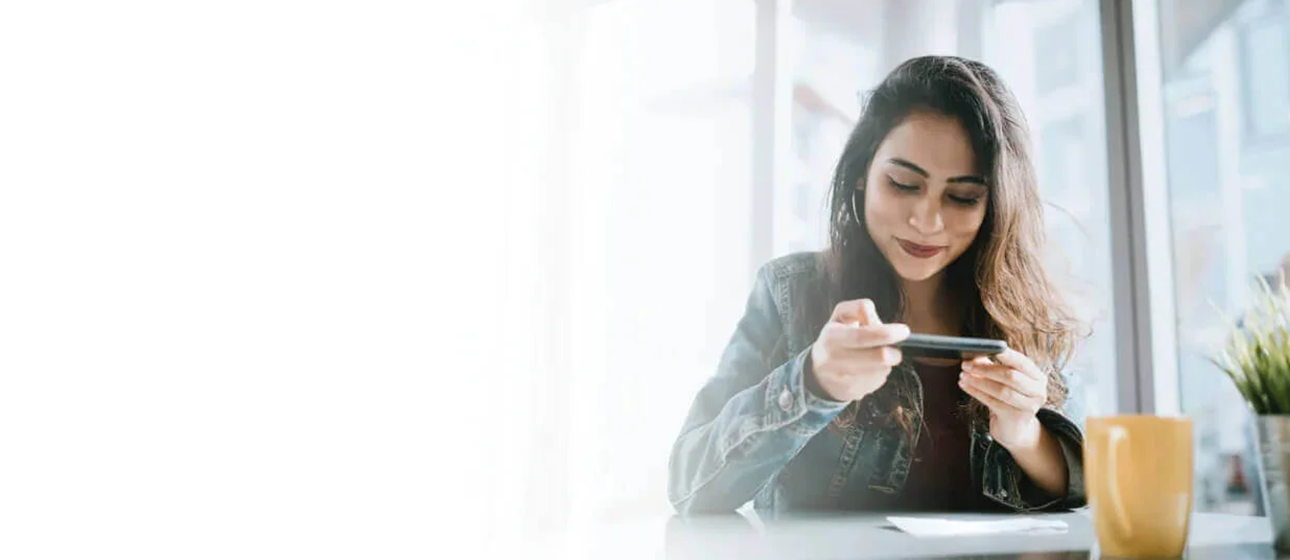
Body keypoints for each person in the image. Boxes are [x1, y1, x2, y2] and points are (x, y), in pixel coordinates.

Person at [668, 56, 1087, 515]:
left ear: (995, 206)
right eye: (903, 184)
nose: (927, 221)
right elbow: (691, 485)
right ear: (863, 173)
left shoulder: (1020, 310)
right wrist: (813, 382)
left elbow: (1083, 487)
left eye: (963, 197)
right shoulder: (790, 292)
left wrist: (1025, 432)